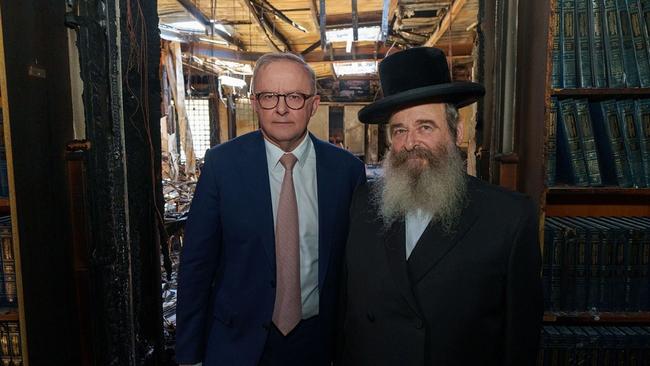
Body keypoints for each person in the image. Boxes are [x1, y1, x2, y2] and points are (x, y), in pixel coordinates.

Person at [338, 47, 542, 366]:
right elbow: (347, 312)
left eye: (426, 127)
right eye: (399, 130)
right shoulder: (363, 204)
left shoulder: (509, 218)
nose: (410, 142)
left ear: (456, 132)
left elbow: (520, 341)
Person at [176, 52, 366, 366]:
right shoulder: (223, 166)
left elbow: (356, 268)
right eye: (268, 96)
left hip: (317, 343)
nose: (280, 108)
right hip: (237, 342)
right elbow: (197, 264)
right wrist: (189, 354)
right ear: (254, 102)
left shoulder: (346, 171)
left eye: (294, 96)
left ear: (313, 105)